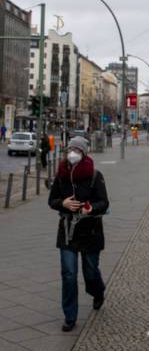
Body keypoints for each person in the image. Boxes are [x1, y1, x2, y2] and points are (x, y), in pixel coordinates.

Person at [48, 136, 109, 332]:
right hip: (67, 232)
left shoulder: (94, 175)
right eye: (70, 149)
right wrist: (62, 203)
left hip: (90, 231)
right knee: (68, 274)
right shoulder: (61, 175)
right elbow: (52, 200)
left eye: (77, 150)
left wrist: (90, 208)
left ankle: (98, 292)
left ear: (83, 154)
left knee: (90, 272)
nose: (72, 153)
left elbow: (104, 203)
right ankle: (70, 316)